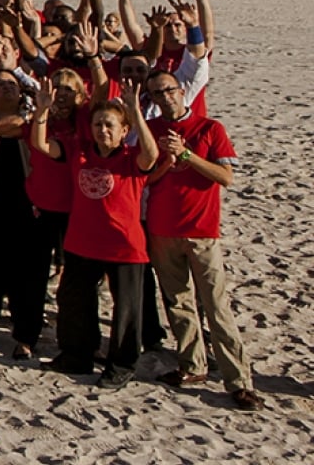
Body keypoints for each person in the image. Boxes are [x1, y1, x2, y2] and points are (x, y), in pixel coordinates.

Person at [142, 68, 261, 410]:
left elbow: (226, 177)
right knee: (178, 303)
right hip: (163, 230)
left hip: (202, 231)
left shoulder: (210, 128)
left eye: (168, 91)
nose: (165, 98)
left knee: (216, 306)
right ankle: (191, 365)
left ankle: (238, 380)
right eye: (157, 94)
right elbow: (146, 178)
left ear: (181, 91)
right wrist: (166, 159)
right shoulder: (151, 130)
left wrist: (187, 155)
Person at [31, 79, 158, 387]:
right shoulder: (80, 151)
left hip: (124, 246)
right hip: (83, 241)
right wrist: (42, 111)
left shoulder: (130, 159)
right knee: (74, 300)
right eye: (99, 124)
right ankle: (77, 355)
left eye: (110, 125)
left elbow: (151, 156)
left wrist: (135, 113)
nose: (103, 130)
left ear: (123, 131)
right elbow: (41, 145)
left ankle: (121, 365)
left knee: (126, 308)